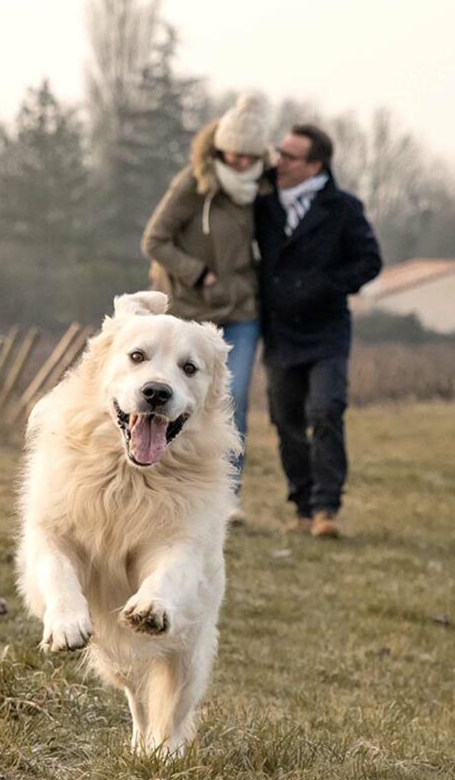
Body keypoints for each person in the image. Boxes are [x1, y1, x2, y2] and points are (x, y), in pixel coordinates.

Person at [141, 94, 272, 520]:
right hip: (188, 312)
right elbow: (154, 240)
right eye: (231, 154)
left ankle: (225, 498)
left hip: (242, 312)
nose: (238, 163)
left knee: (230, 401)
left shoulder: (263, 191)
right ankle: (165, 483)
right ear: (219, 148)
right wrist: (197, 273)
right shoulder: (193, 184)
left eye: (247, 156)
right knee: (175, 398)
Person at [254, 124, 382, 537]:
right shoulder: (262, 200)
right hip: (279, 331)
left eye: (290, 156)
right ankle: (303, 508)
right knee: (286, 419)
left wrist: (323, 285)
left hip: (326, 330)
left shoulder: (343, 208)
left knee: (326, 410)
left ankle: (327, 508)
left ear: (314, 166)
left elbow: (369, 262)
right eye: (280, 152)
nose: (280, 161)